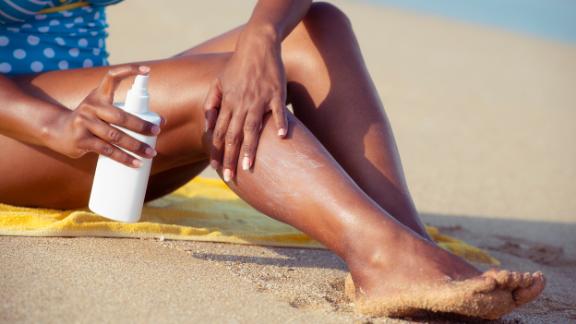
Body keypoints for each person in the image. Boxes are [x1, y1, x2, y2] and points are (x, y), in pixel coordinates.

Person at [0, 0, 544, 319]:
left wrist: (262, 36)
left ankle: (411, 245)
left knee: (314, 29)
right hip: (24, 133)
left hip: (101, 121)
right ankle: (380, 257)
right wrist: (53, 125)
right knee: (221, 84)